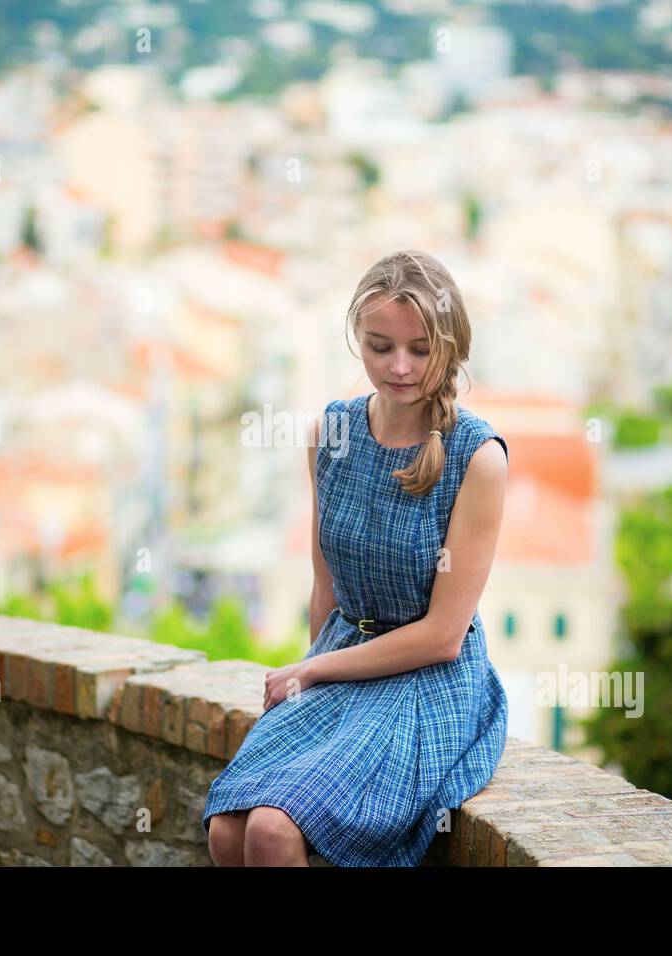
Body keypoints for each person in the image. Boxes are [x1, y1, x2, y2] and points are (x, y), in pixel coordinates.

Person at [202, 249, 510, 866]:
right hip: (343, 663)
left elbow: (444, 637)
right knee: (227, 829)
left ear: (451, 347)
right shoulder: (331, 434)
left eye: (420, 350)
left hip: (428, 682)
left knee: (272, 831)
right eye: (379, 346)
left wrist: (313, 673)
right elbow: (326, 588)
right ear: (356, 340)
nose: (398, 367)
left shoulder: (477, 458)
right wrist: (316, 694)